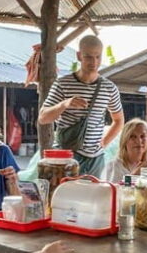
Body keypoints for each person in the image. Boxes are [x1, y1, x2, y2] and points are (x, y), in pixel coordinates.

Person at [38, 35, 125, 177]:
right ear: (79, 56)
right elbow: (43, 118)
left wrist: (104, 143)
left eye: (98, 57)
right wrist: (64, 104)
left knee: (92, 198)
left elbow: (119, 120)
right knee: (64, 196)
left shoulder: (109, 88)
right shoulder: (63, 84)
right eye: (89, 57)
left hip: (95, 159)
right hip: (66, 156)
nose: (94, 62)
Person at [102, 118, 147, 183]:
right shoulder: (114, 166)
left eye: (142, 136)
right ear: (125, 141)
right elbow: (114, 190)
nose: (139, 141)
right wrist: (135, 175)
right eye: (133, 136)